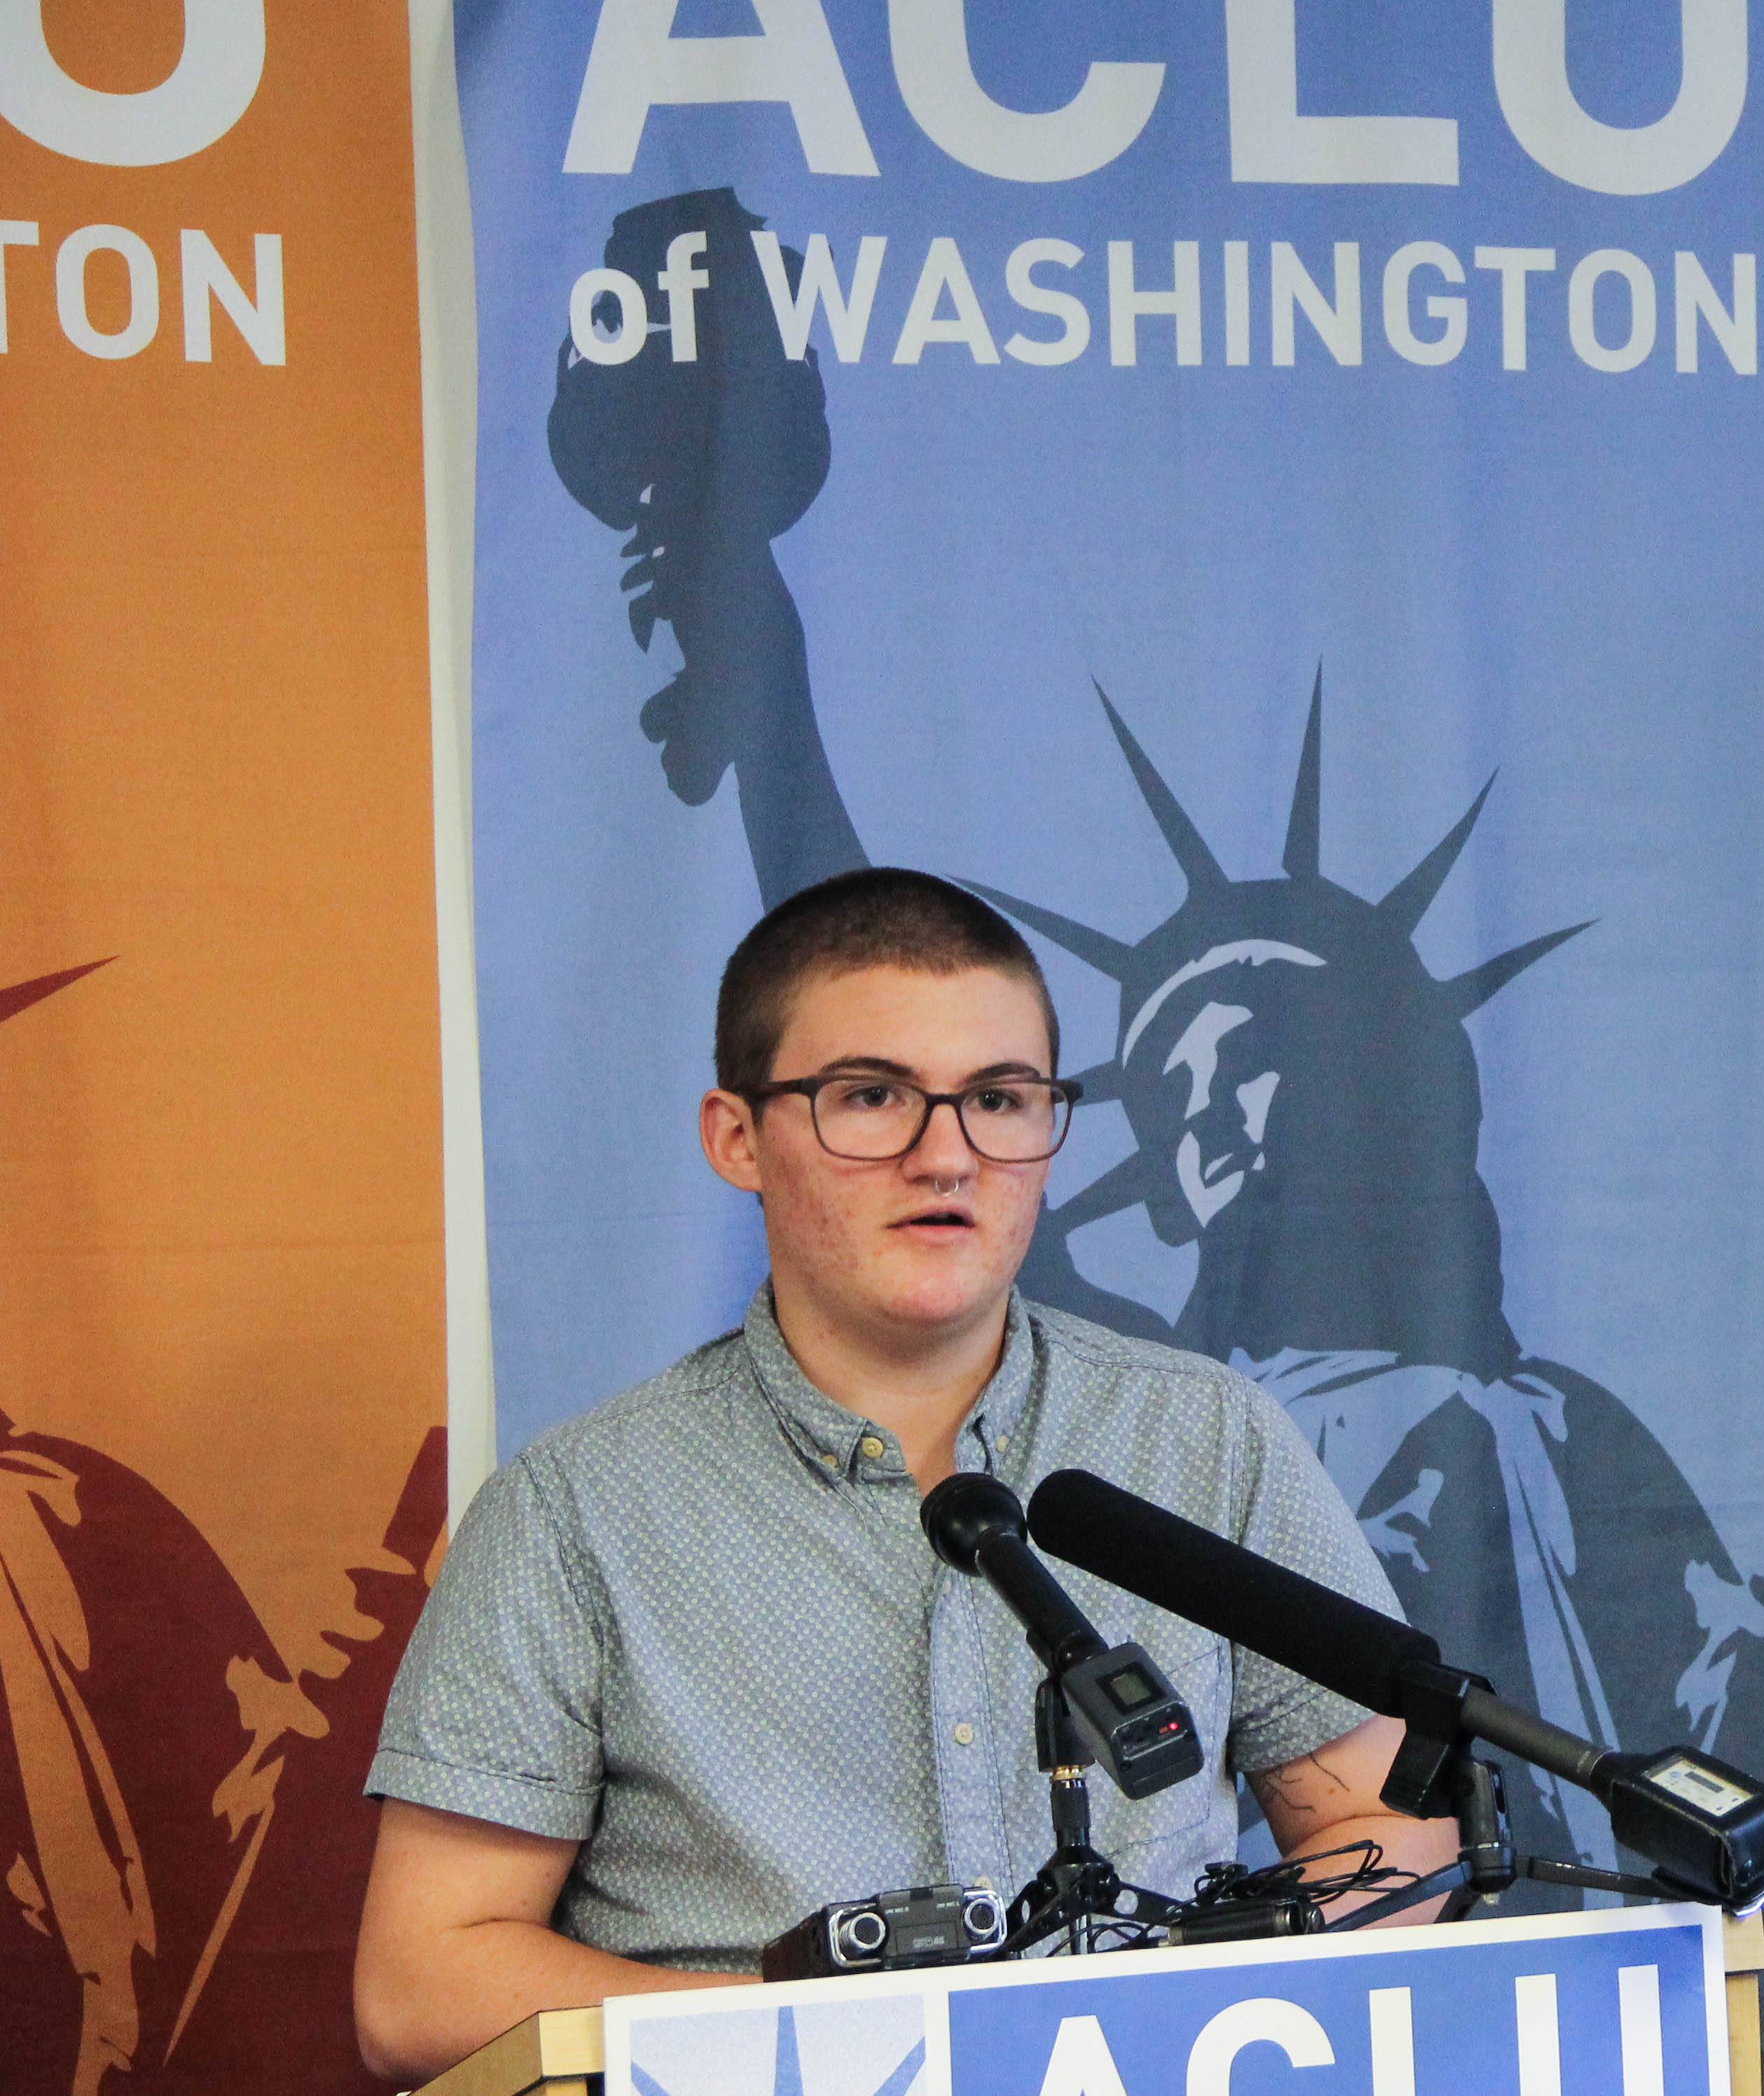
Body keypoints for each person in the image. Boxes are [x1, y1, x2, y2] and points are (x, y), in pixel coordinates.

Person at [352, 869, 1450, 2081]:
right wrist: (826, 2049)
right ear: (737, 1137)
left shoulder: (1209, 1441)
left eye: (999, 1098)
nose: (947, 1156)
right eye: (870, 1096)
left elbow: (1380, 1823)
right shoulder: (575, 1511)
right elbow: (424, 1979)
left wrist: (1181, 2012)